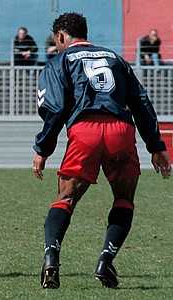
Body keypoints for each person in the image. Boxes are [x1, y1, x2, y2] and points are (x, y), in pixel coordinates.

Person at [32, 13, 171, 289]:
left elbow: (55, 108)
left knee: (66, 197)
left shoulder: (59, 61)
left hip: (85, 132)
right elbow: (141, 102)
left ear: (60, 36)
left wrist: (42, 149)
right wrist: (156, 146)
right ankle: (106, 260)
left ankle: (51, 258)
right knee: (124, 198)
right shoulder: (115, 58)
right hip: (121, 130)